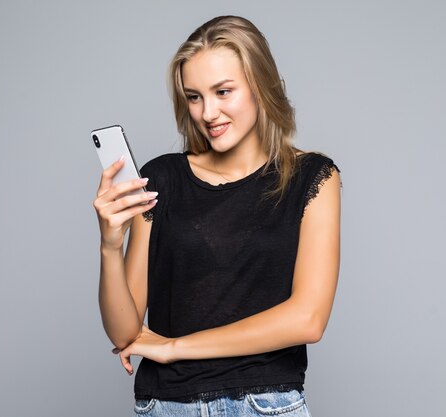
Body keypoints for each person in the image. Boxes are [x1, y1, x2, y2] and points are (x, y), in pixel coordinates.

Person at [93, 15, 340, 417]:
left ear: (260, 85)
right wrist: (109, 244)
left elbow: (308, 319)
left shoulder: (312, 177)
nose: (208, 113)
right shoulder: (161, 179)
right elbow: (125, 332)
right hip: (166, 405)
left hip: (265, 404)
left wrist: (176, 347)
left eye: (223, 91)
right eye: (194, 97)